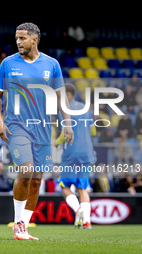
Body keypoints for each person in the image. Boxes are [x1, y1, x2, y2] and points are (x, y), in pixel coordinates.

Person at [0, 23, 74, 240]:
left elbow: (60, 96)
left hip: (43, 129)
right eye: (16, 38)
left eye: (22, 38)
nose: (18, 42)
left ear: (34, 39)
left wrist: (68, 123)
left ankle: (24, 227)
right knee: (26, 170)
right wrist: (0, 122)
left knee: (37, 179)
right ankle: (18, 223)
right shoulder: (8, 64)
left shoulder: (52, 64)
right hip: (16, 126)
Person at [53, 83, 96, 230]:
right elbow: (94, 132)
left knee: (64, 186)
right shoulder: (86, 109)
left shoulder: (65, 109)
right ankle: (87, 222)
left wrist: (56, 143)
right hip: (87, 153)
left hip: (71, 153)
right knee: (82, 189)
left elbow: (65, 134)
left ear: (67, 95)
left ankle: (78, 210)